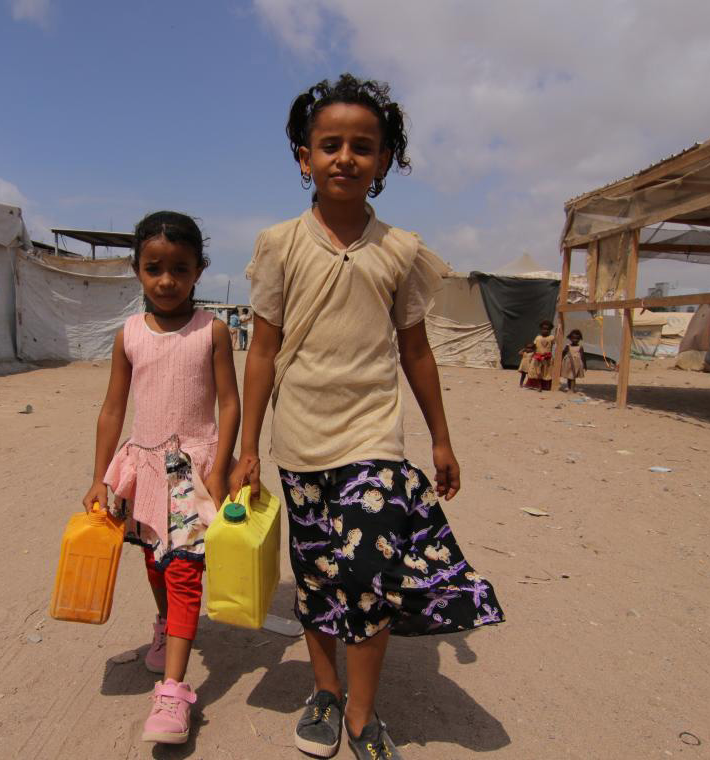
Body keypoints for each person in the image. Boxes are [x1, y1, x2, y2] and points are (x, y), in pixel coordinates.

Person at [230, 73, 504, 760]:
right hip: (298, 442)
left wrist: (442, 439)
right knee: (318, 576)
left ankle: (360, 713)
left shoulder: (401, 250)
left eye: (363, 146)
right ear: (304, 158)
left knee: (369, 580)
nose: (345, 157)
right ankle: (323, 693)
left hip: (373, 439)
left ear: (384, 161)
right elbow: (260, 353)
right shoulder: (277, 245)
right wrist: (247, 448)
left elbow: (416, 350)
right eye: (330, 145)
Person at [81, 211, 240, 745]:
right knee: (153, 564)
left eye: (180, 268)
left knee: (184, 571)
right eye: (154, 268)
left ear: (199, 271)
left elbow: (229, 402)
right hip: (144, 468)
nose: (167, 280)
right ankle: (164, 627)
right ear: (137, 271)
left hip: (188, 471)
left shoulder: (212, 332)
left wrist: (221, 466)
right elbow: (112, 407)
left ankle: (174, 690)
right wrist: (99, 478)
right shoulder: (128, 334)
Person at [526, 320, 555, 392]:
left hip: (547, 359)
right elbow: (535, 346)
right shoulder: (538, 337)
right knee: (537, 372)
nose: (545, 330)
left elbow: (555, 346)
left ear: (550, 330)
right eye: (543, 329)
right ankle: (539, 386)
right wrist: (531, 354)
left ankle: (546, 386)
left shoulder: (551, 337)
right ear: (541, 329)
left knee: (546, 373)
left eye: (547, 329)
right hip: (538, 358)